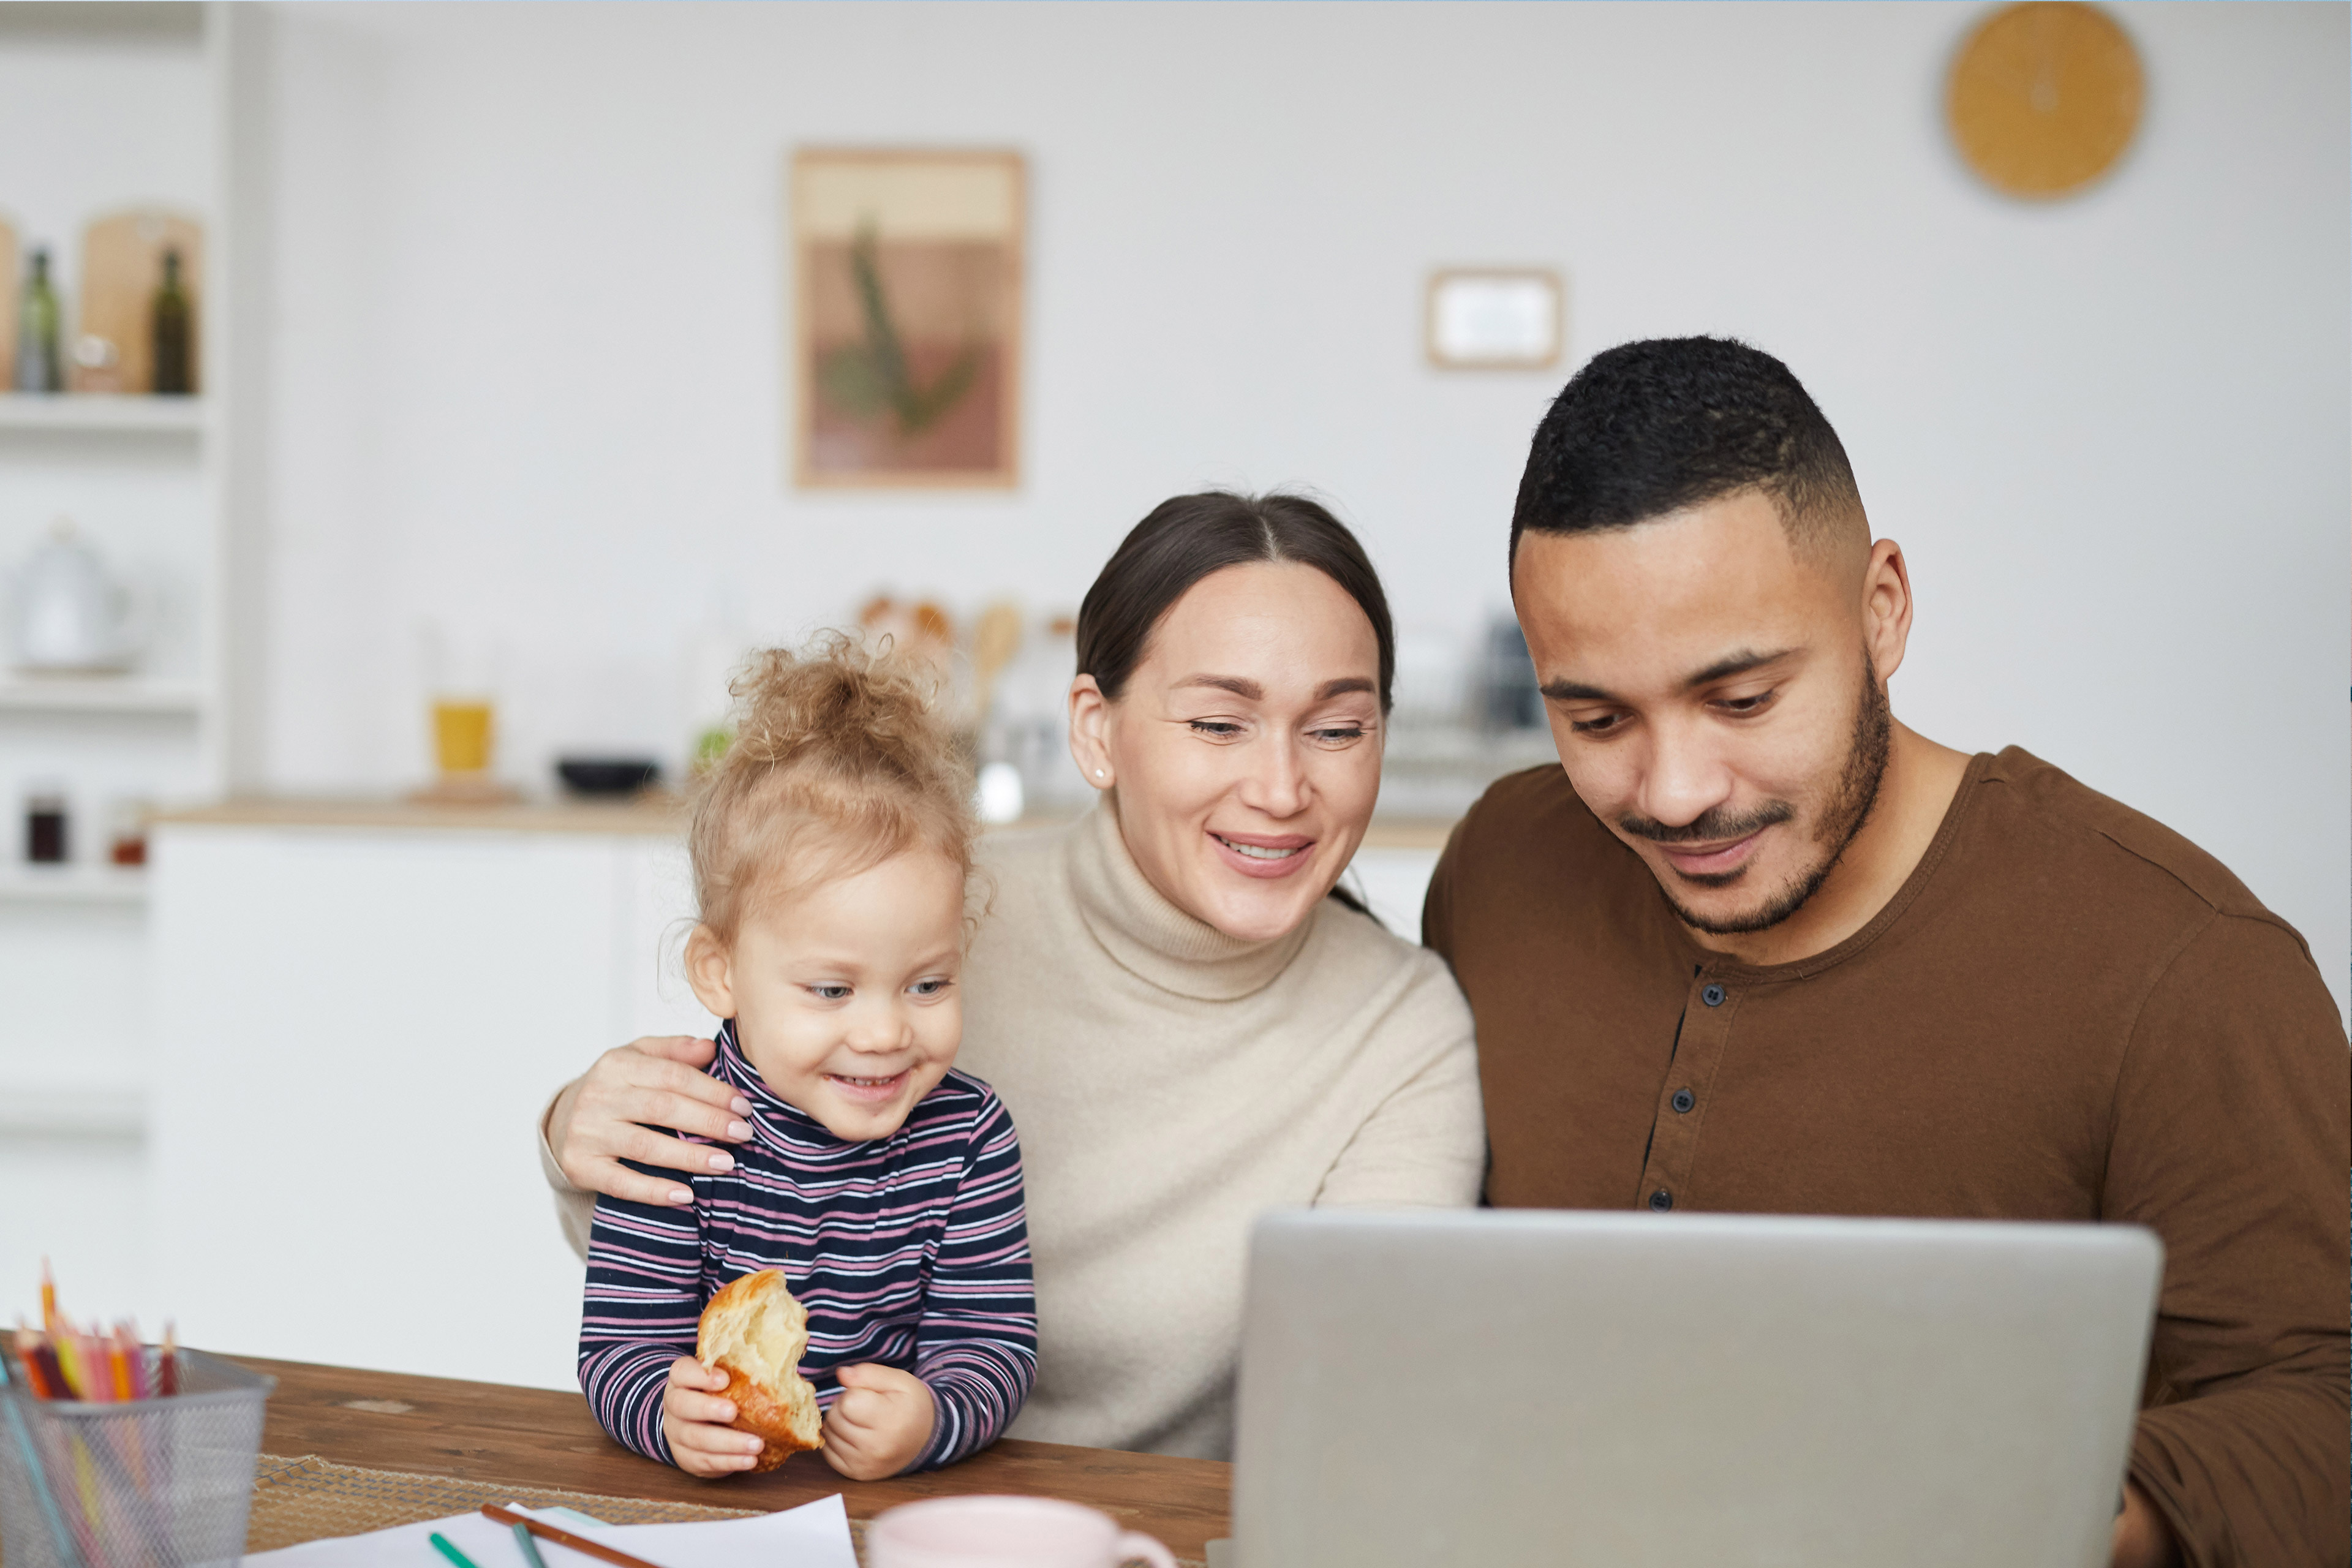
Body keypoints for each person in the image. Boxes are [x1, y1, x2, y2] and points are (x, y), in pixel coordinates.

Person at [1427, 336, 2350, 1568]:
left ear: (1883, 607)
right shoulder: (1501, 862)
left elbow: (2323, 1414)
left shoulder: (2184, 962)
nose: (1677, 791)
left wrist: (2014, 1512)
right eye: (1596, 717)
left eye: (1743, 698)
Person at [549, 492, 1485, 1459]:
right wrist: (575, 1122)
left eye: (1337, 729)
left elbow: (1367, 1405)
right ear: (1094, 730)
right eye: (1218, 723)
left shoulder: (1401, 1032)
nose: (1283, 789)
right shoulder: (923, 920)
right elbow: (700, 1238)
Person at [577, 636, 1035, 1480]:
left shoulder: (970, 1137)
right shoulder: (676, 1130)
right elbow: (620, 1348)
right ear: (721, 972)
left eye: (927, 984)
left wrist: (933, 1418)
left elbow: (993, 1345)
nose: (884, 1033)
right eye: (832, 991)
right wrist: (665, 1414)